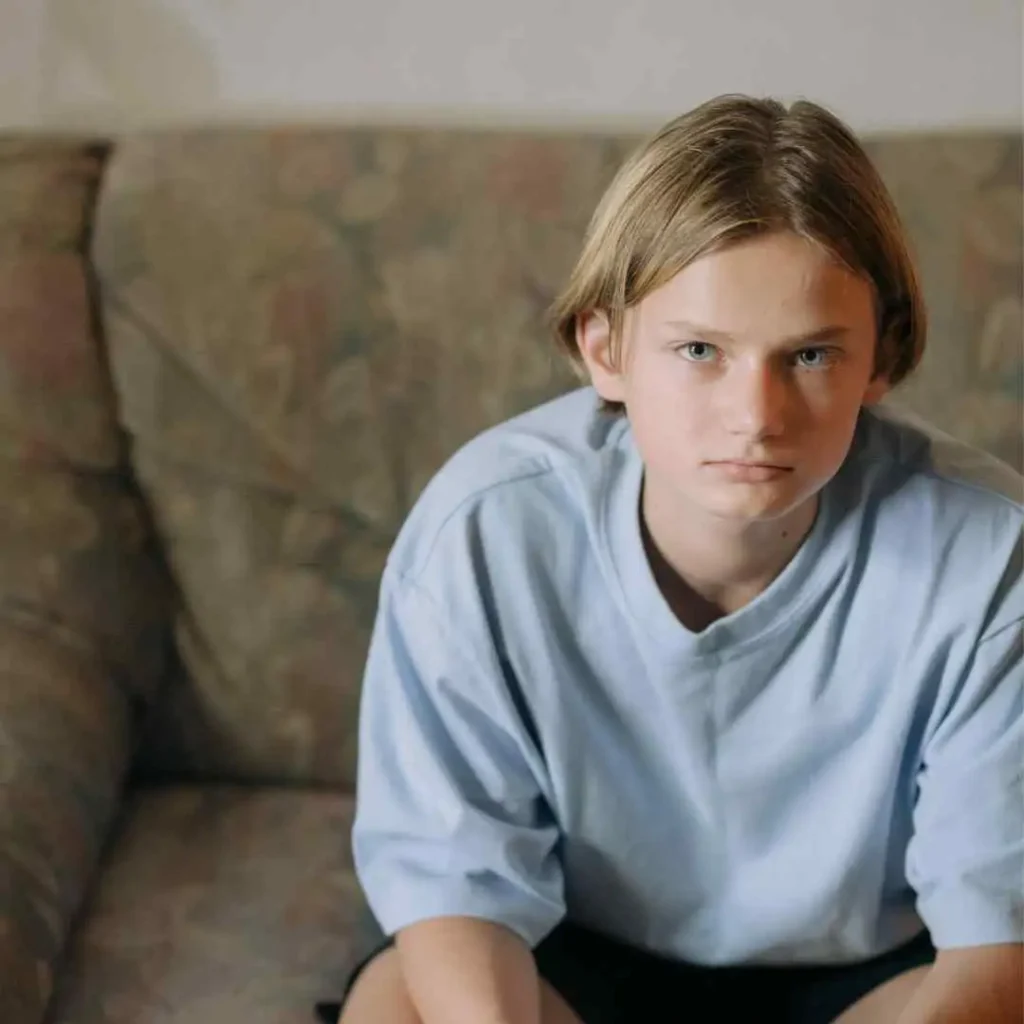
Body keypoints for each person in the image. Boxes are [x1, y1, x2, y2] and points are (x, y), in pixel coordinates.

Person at [328, 95, 1023, 1023]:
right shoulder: (487, 530)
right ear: (605, 349)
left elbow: (995, 933)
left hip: (873, 967)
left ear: (881, 360)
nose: (757, 414)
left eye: (811, 355)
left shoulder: (987, 552)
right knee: (399, 1006)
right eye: (700, 349)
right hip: (569, 947)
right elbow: (453, 880)